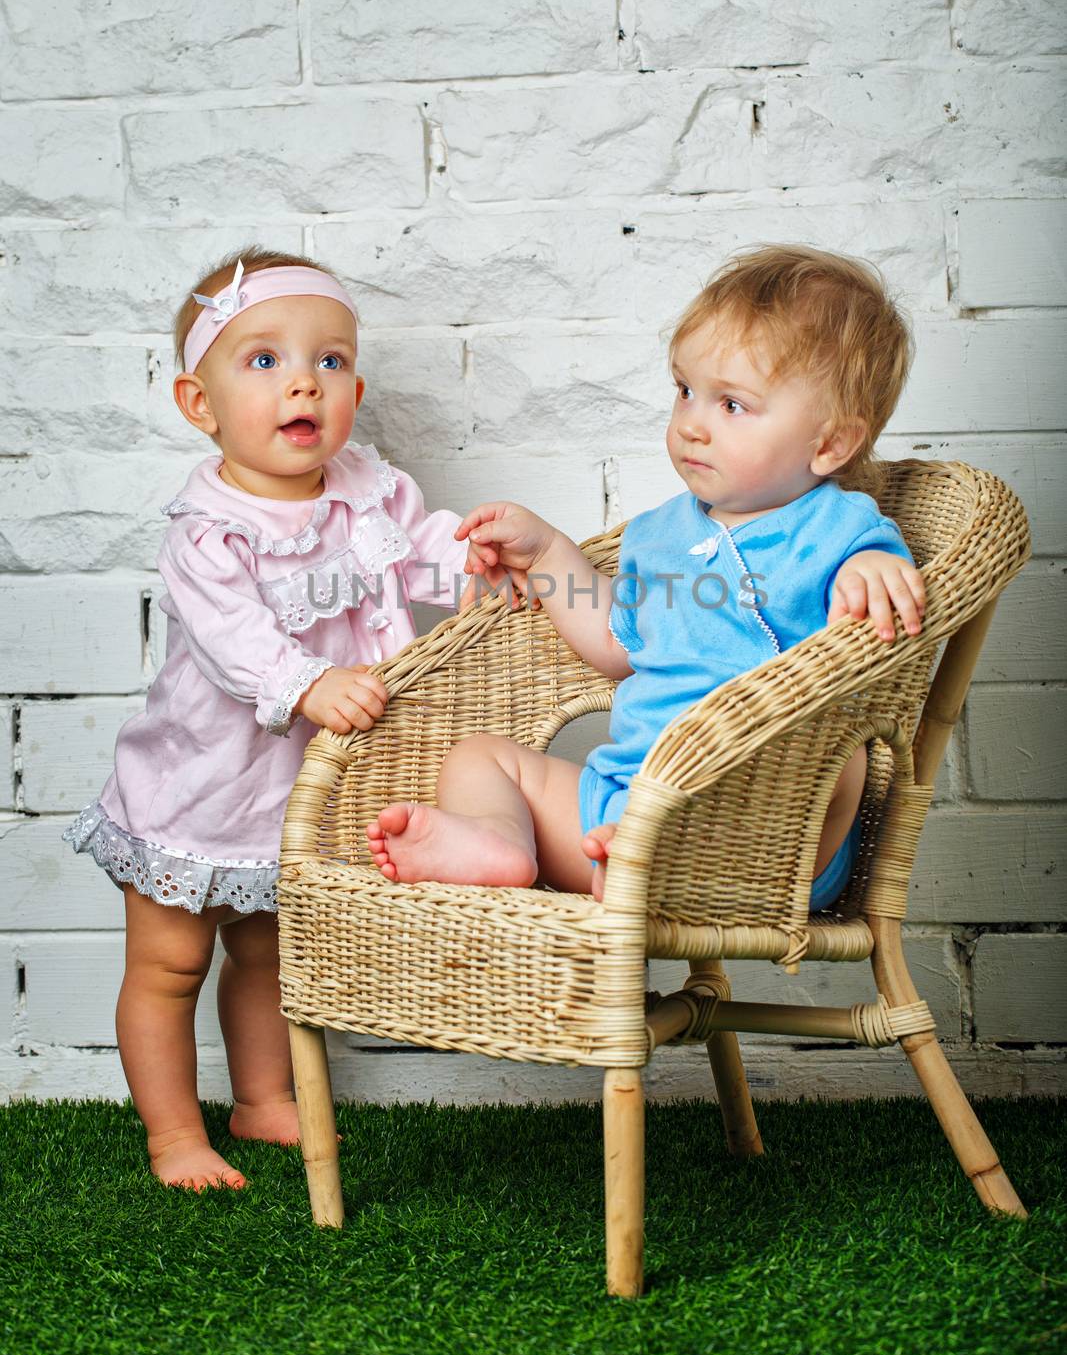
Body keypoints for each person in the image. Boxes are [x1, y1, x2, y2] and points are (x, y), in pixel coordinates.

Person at [63, 247, 470, 1191]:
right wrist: (311, 681)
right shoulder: (208, 530)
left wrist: (485, 556)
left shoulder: (372, 490)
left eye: (328, 362)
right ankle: (172, 1134)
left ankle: (260, 1099)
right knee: (169, 965)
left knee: (267, 954)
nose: (303, 382)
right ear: (198, 406)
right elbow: (230, 640)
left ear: (355, 390)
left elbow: (422, 559)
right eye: (264, 361)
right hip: (194, 787)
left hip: (291, 796)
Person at [367, 244, 927, 906]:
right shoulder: (659, 533)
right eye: (685, 391)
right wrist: (547, 552)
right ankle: (503, 844)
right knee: (478, 757)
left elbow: (884, 570)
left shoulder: (835, 527)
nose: (691, 423)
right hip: (627, 798)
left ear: (829, 444)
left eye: (731, 405)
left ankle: (654, 862)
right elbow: (617, 645)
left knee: (837, 752)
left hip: (768, 831)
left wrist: (872, 564)